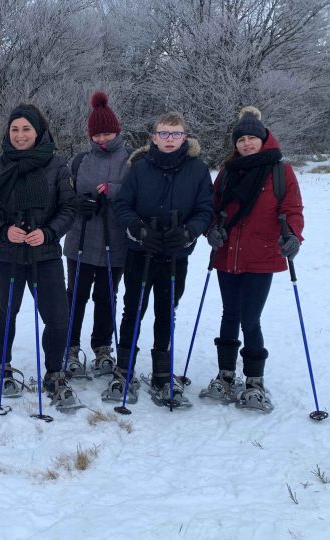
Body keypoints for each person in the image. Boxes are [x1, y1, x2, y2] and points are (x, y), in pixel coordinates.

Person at [0, 103, 78, 408]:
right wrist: (2, 230)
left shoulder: (57, 165)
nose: (20, 135)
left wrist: (48, 233)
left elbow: (68, 208)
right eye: (14, 129)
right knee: (6, 311)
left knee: (58, 318)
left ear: (39, 131)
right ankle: (2, 367)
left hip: (44, 253)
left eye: (26, 129)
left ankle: (54, 374)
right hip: (3, 253)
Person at [201, 106, 303, 412]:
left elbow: (293, 209)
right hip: (227, 253)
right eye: (241, 139)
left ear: (263, 139)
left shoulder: (280, 171)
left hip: (261, 255)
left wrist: (293, 236)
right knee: (229, 314)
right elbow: (213, 206)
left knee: (250, 317)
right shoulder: (228, 171)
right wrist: (210, 231)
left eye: (251, 138)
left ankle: (255, 380)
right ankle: (225, 375)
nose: (246, 143)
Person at [109, 111, 213, 405]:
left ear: (185, 137)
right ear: (153, 137)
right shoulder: (140, 167)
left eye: (176, 134)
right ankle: (124, 367)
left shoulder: (197, 169)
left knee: (166, 311)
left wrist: (189, 231)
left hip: (175, 254)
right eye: (164, 134)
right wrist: (138, 230)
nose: (170, 139)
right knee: (133, 309)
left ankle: (162, 373)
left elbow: (206, 208)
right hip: (141, 253)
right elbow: (123, 205)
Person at [63, 91, 130, 377]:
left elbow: (137, 194)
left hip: (114, 241)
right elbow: (64, 195)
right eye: (97, 135)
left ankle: (102, 347)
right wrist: (78, 203)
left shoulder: (131, 160)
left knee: (106, 296)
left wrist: (113, 192)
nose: (102, 139)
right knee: (75, 295)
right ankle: (70, 346)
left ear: (116, 131)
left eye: (107, 133)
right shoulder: (79, 161)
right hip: (80, 237)